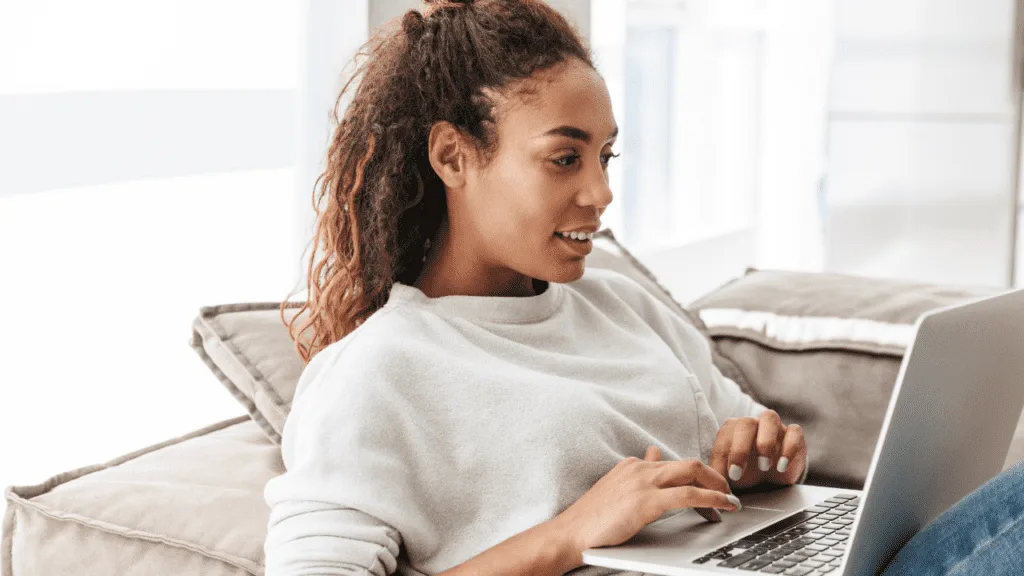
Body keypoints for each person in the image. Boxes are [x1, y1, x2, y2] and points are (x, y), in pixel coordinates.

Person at [263, 1, 1024, 575]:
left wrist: (760, 458)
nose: (600, 193)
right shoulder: (374, 375)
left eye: (607, 158)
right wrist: (571, 532)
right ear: (455, 158)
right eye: (565, 159)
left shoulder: (618, 303)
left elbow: (738, 438)